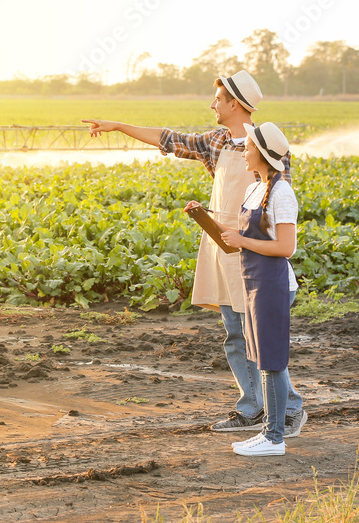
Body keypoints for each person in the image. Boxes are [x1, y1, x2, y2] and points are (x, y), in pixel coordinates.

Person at [82, 71, 306, 438]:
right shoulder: (215, 141)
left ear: (235, 103)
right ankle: (251, 408)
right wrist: (119, 126)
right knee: (236, 334)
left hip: (251, 253)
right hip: (222, 247)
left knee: (259, 336)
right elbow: (170, 139)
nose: (212, 104)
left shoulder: (265, 145)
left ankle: (290, 408)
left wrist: (248, 242)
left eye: (217, 99)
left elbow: (275, 204)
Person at [217, 122, 298, 456]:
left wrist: (241, 240)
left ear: (263, 155)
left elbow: (286, 247)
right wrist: (205, 220)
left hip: (274, 285)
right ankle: (269, 432)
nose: (244, 151)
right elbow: (243, 238)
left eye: (248, 147)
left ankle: (274, 438)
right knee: (261, 359)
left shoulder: (282, 193)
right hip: (254, 283)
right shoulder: (256, 188)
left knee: (272, 361)